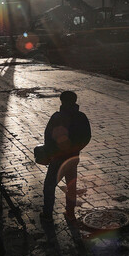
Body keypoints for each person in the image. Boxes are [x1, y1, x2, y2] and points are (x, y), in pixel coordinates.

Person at [41, 90, 91, 222]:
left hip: (58, 159)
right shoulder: (81, 117)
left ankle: (47, 214)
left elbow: (48, 137)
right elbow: (87, 137)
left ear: (61, 101)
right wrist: (76, 149)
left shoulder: (57, 117)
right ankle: (70, 212)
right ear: (75, 101)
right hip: (73, 158)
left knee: (49, 186)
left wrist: (50, 154)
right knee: (71, 185)